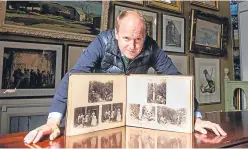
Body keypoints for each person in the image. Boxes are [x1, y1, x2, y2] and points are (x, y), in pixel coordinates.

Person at [24, 10, 227, 144]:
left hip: (133, 124)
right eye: (126, 39)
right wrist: (53, 121)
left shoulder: (152, 48)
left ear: (145, 36)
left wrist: (196, 118)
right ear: (116, 34)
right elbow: (72, 78)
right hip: (98, 119)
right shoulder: (101, 42)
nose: (132, 46)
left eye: (138, 39)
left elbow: (178, 82)